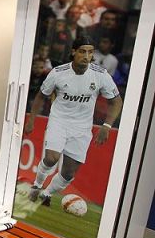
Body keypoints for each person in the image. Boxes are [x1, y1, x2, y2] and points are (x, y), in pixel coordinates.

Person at [24, 36, 123, 206]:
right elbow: (41, 96)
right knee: (51, 158)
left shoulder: (101, 75)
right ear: (73, 52)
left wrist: (107, 126)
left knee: (69, 173)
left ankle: (47, 194)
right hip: (59, 121)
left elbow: (117, 102)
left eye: (90, 52)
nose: (87, 56)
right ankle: (37, 185)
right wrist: (32, 120)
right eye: (82, 52)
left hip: (82, 128)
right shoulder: (58, 73)